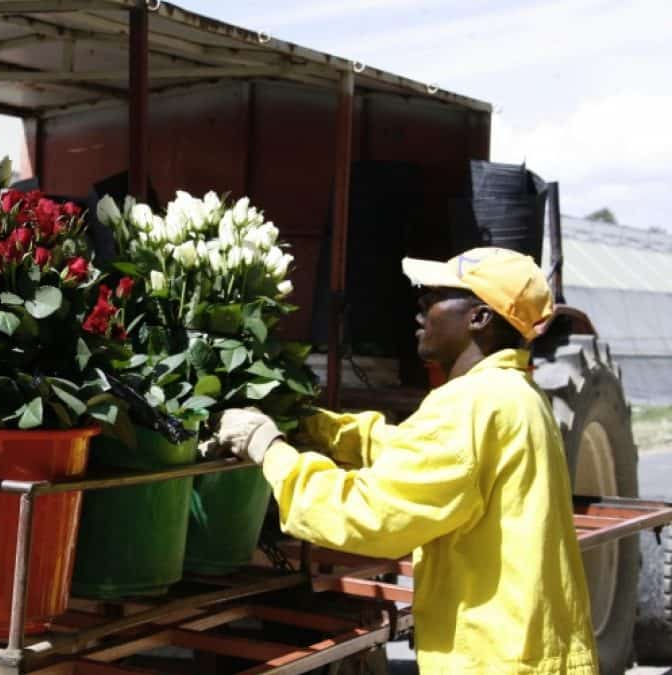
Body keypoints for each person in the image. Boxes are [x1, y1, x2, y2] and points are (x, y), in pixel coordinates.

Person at [209, 247, 598, 674]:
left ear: (479, 318)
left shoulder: (470, 405)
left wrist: (268, 448)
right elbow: (425, 457)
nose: (421, 303)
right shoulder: (513, 395)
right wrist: (320, 428)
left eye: (436, 295)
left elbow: (368, 514)